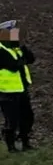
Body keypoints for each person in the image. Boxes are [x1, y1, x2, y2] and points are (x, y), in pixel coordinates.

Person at [0, 20, 35, 151]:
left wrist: (23, 46)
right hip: (7, 92)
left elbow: (31, 59)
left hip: (22, 89)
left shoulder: (16, 48)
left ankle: (25, 142)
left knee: (27, 117)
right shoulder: (1, 50)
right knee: (12, 121)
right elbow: (14, 65)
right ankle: (11, 146)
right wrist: (21, 59)